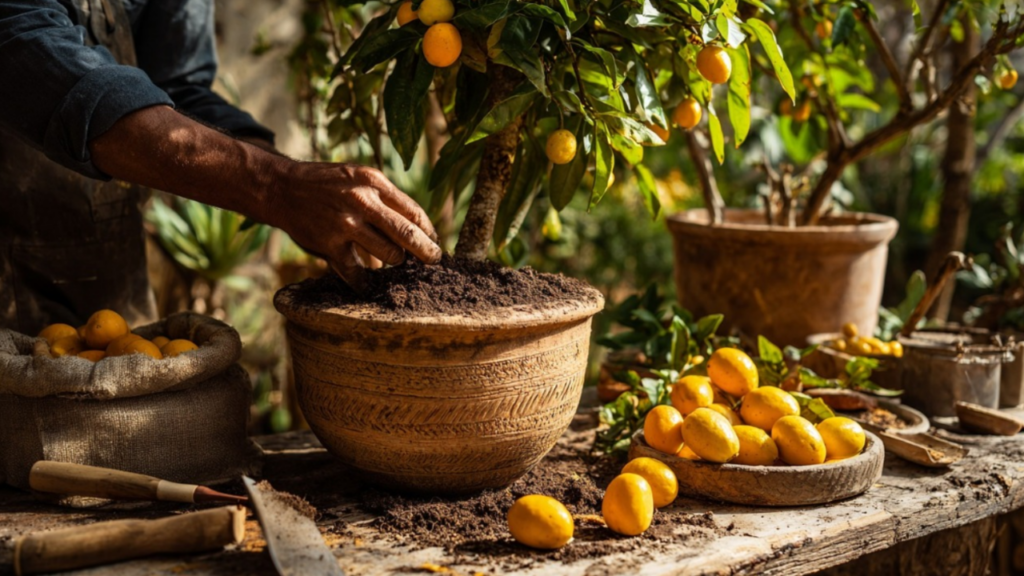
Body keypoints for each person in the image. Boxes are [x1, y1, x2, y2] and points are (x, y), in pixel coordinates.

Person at [0, 0, 441, 334]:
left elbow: (180, 88)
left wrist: (306, 188)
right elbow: (25, 47)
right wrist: (278, 187)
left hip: (106, 279)